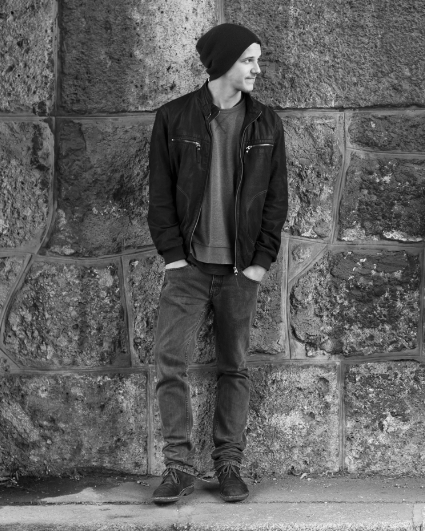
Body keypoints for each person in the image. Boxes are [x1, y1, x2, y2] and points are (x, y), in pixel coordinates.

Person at [147, 23, 288, 504]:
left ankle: (229, 464)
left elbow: (276, 200)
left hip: (239, 270)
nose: (257, 68)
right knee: (170, 364)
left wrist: (260, 262)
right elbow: (160, 194)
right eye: (249, 59)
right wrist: (172, 258)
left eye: (257, 59)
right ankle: (179, 467)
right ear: (224, 62)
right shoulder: (174, 117)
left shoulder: (266, 123)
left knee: (235, 367)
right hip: (187, 268)